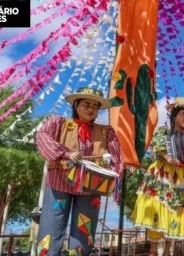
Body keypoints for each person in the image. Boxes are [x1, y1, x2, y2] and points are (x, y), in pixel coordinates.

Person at [35, 87, 123, 256]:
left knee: (85, 231)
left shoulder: (106, 131)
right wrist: (65, 153)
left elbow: (116, 157)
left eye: (95, 106)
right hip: (59, 182)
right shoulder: (58, 123)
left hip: (92, 186)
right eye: (86, 104)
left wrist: (113, 177)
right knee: (51, 226)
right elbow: (42, 137)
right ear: (76, 105)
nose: (91, 109)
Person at [131, 97, 184, 256]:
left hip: (182, 178)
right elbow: (158, 146)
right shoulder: (164, 131)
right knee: (157, 209)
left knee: (177, 211)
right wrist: (167, 157)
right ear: (174, 115)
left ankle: (167, 251)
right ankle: (153, 250)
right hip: (162, 174)